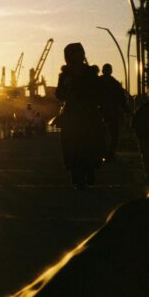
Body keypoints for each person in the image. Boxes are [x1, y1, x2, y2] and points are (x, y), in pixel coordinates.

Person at [55, 43, 104, 190]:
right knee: (73, 146)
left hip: (87, 114)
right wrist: (66, 86)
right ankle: (78, 177)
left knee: (87, 145)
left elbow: (98, 93)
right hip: (74, 115)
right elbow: (60, 95)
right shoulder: (65, 75)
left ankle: (87, 172)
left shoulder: (90, 73)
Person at [98, 63, 129, 161]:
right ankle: (110, 154)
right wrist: (126, 110)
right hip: (113, 113)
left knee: (101, 134)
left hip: (100, 113)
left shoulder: (97, 82)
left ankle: (103, 153)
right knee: (114, 135)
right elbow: (122, 99)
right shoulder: (115, 83)